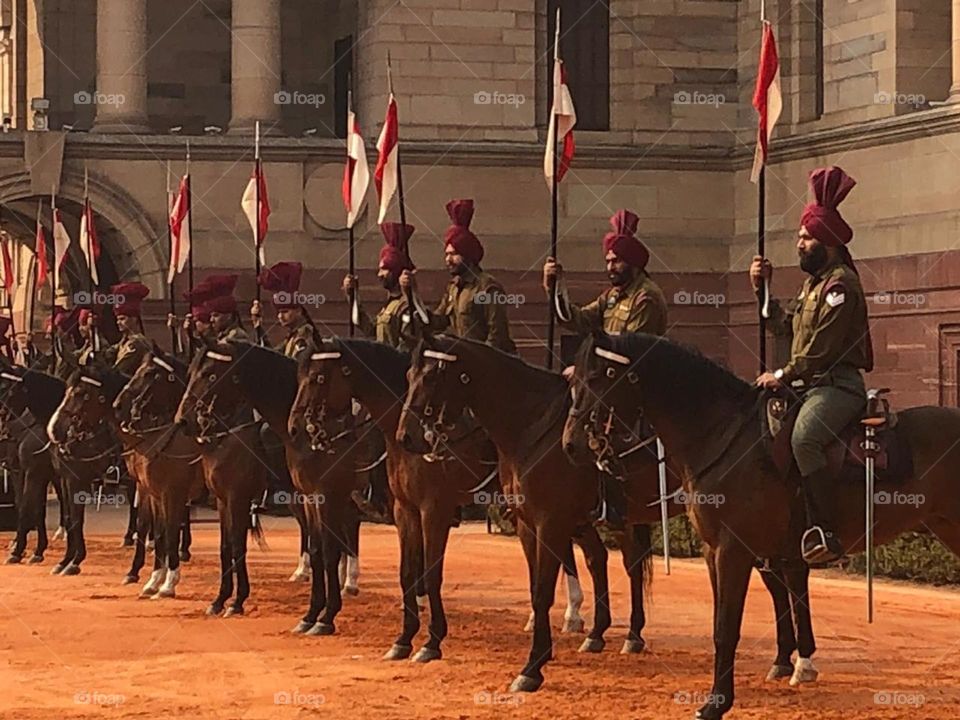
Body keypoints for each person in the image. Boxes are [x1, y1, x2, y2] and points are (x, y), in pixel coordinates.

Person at [750, 166, 871, 564]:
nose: (799, 244)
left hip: (838, 386)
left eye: (805, 237)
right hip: (810, 385)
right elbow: (786, 327)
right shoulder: (813, 285)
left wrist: (781, 374)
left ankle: (826, 533)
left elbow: (821, 349)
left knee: (804, 438)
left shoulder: (840, 286)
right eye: (800, 237)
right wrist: (762, 290)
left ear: (827, 241)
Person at [543, 209, 668, 531]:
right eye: (608, 260)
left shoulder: (646, 297)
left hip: (639, 380)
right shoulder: (611, 297)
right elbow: (578, 321)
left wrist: (586, 370)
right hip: (610, 380)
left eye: (616, 261)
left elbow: (632, 348)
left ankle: (615, 503)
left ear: (633, 262)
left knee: (606, 431)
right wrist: (555, 288)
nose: (610, 266)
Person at [399, 198, 516, 353]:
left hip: (486, 362)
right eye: (446, 254)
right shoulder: (453, 288)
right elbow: (437, 322)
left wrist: (481, 361)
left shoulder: (488, 288)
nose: (448, 260)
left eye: (454, 254)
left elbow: (497, 336)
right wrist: (413, 293)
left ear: (467, 255)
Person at [342, 222, 416, 350]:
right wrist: (353, 296)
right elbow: (371, 330)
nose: (379, 274)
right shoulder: (390, 305)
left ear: (396, 271)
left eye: (384, 269)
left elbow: (407, 346)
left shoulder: (406, 307)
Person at [252, 261, 318, 356]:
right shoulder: (292, 336)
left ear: (298, 311)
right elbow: (272, 356)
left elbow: (292, 363)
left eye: (285, 311)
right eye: (278, 312)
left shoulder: (304, 336)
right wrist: (258, 325)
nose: (280, 316)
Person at [106, 283, 152, 376]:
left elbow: (119, 370)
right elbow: (106, 356)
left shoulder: (137, 343)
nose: (118, 322)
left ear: (134, 319)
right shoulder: (122, 343)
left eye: (122, 319)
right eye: (117, 319)